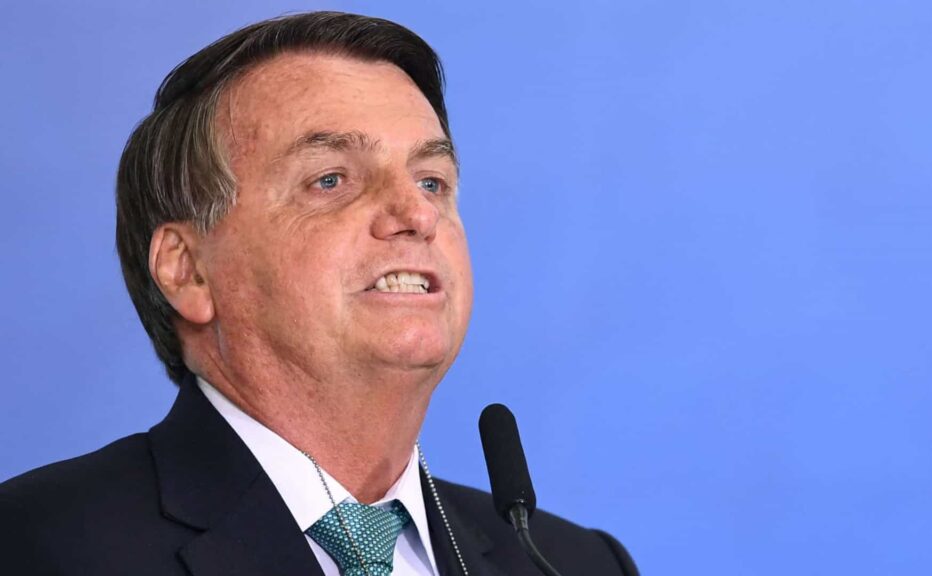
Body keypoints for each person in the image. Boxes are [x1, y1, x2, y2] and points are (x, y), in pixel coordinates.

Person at [0, 11, 638, 576]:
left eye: (433, 181)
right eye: (331, 180)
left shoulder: (575, 563)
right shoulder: (39, 544)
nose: (417, 214)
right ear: (188, 271)